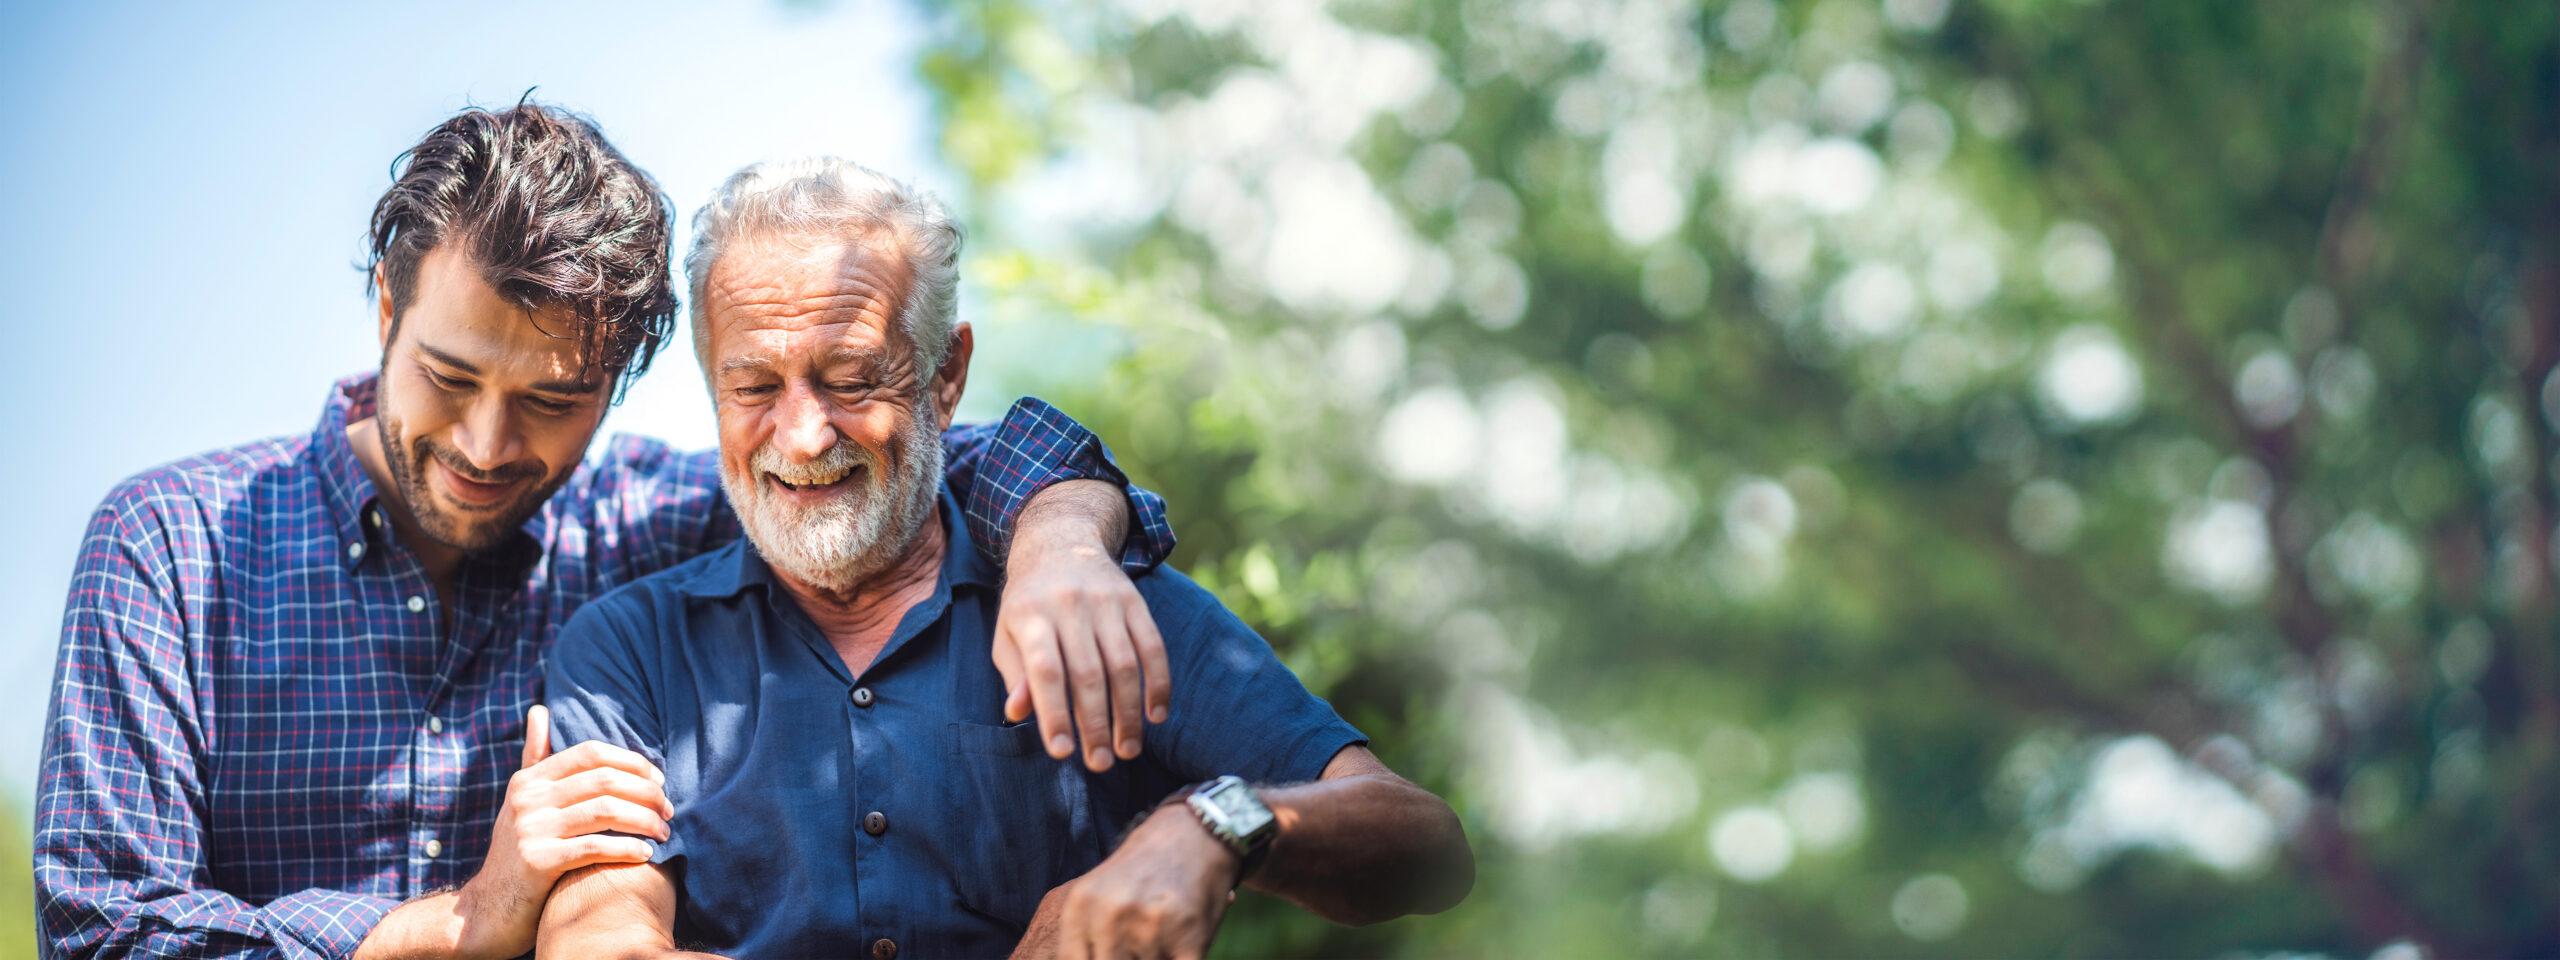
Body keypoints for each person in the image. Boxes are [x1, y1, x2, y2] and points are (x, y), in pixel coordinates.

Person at [36, 102, 1184, 960]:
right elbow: (101, 932)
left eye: (550, 402)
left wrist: (1061, 539)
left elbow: (903, 452)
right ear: (387, 309)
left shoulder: (652, 519)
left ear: (623, 381)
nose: (487, 446)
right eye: (446, 377)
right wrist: (456, 923)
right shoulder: (169, 546)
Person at [536, 156, 1475, 960]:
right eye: (752, 385)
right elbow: (596, 938)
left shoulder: (1094, 601)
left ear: (946, 376)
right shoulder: (628, 647)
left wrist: (1214, 824)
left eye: (853, 378)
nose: (805, 435)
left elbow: (1425, 844)